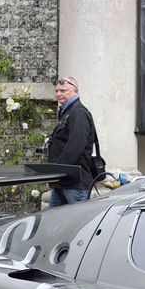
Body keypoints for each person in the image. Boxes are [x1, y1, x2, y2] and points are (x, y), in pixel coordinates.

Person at [46, 75, 97, 207]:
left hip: (75, 183)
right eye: (57, 91)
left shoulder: (78, 113)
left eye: (63, 91)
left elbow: (75, 147)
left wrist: (56, 173)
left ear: (76, 91)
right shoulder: (67, 112)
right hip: (64, 181)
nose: (58, 94)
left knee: (77, 225)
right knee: (54, 223)